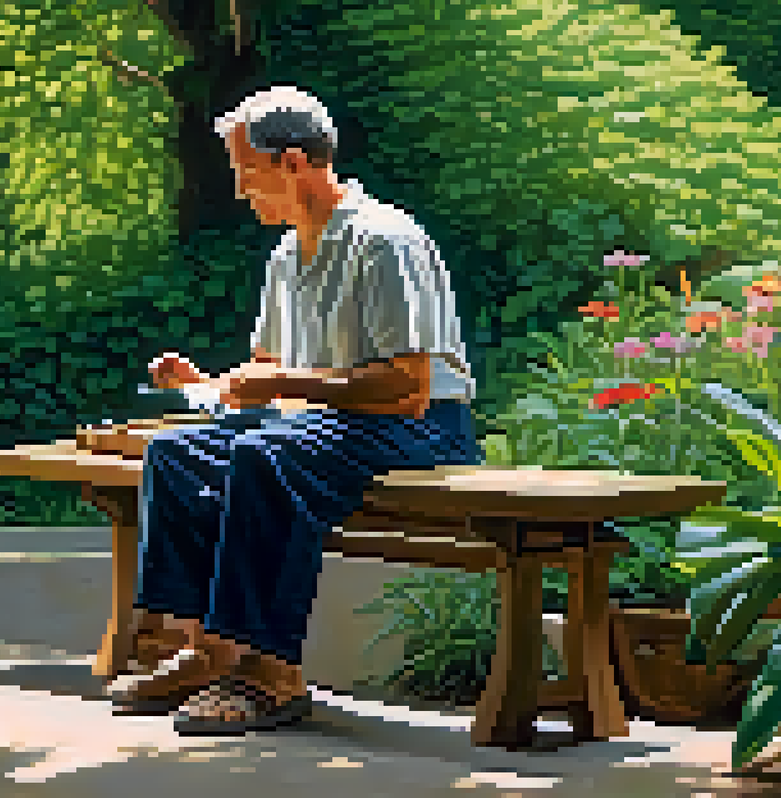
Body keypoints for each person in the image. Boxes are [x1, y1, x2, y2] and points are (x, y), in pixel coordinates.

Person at [115, 86, 482, 735]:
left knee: (266, 454)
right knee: (175, 452)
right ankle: (207, 652)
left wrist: (283, 385)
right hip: (325, 427)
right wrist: (211, 385)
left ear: (291, 163)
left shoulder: (383, 241)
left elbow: (408, 386)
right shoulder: (289, 254)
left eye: (244, 171)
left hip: (422, 430)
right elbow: (269, 374)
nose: (237, 190)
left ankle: (270, 675)